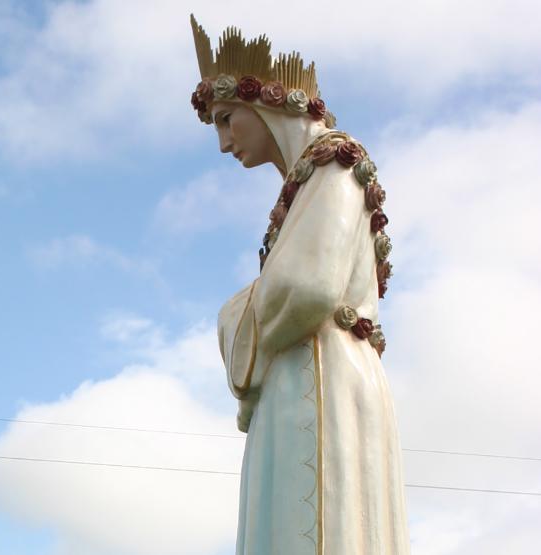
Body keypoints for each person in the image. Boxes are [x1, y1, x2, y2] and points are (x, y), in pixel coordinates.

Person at [189, 15, 409, 554]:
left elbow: (307, 288)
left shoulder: (335, 163)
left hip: (321, 375)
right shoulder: (304, 187)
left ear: (262, 103)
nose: (223, 142)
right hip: (299, 372)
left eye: (225, 119)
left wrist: (234, 316)